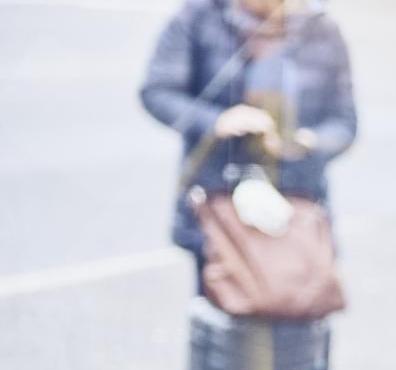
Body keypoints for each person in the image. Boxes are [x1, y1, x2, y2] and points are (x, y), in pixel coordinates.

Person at [141, 0, 357, 291]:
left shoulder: (321, 30)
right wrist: (217, 121)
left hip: (297, 204)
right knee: (224, 309)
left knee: (301, 306)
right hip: (219, 201)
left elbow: (344, 123)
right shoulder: (199, 17)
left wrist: (304, 142)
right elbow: (158, 90)